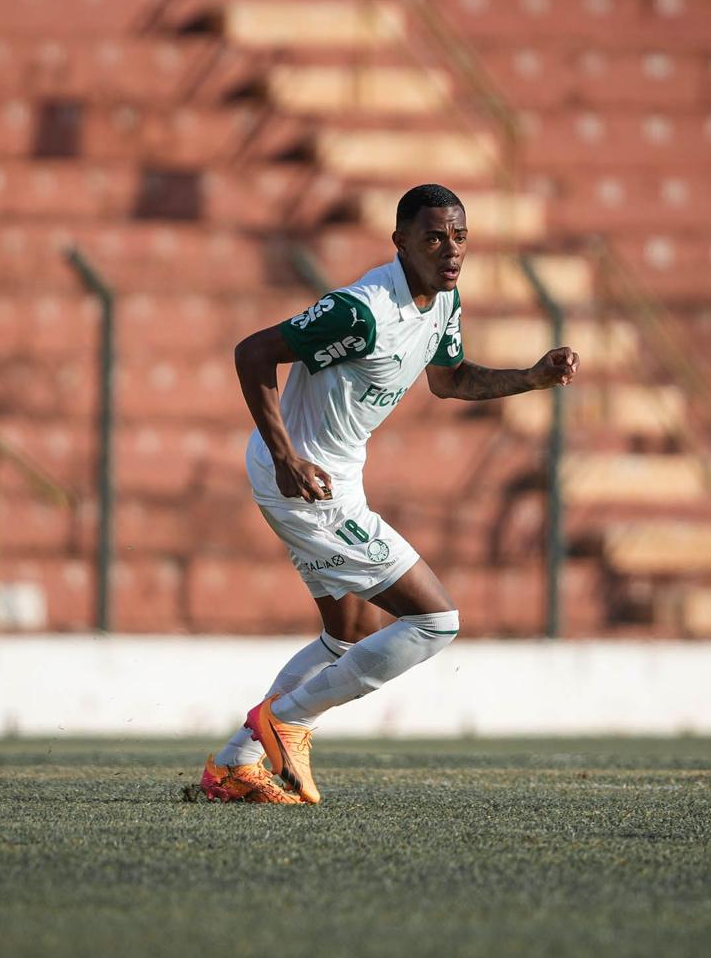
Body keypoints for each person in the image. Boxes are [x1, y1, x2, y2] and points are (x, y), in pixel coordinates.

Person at [196, 183, 579, 805]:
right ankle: (286, 721)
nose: (450, 251)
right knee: (436, 619)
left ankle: (236, 764)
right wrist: (287, 456)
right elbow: (253, 353)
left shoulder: (444, 302)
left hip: (332, 478)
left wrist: (532, 378)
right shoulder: (361, 311)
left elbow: (450, 381)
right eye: (434, 238)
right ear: (400, 242)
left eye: (459, 237)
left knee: (349, 632)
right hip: (305, 482)